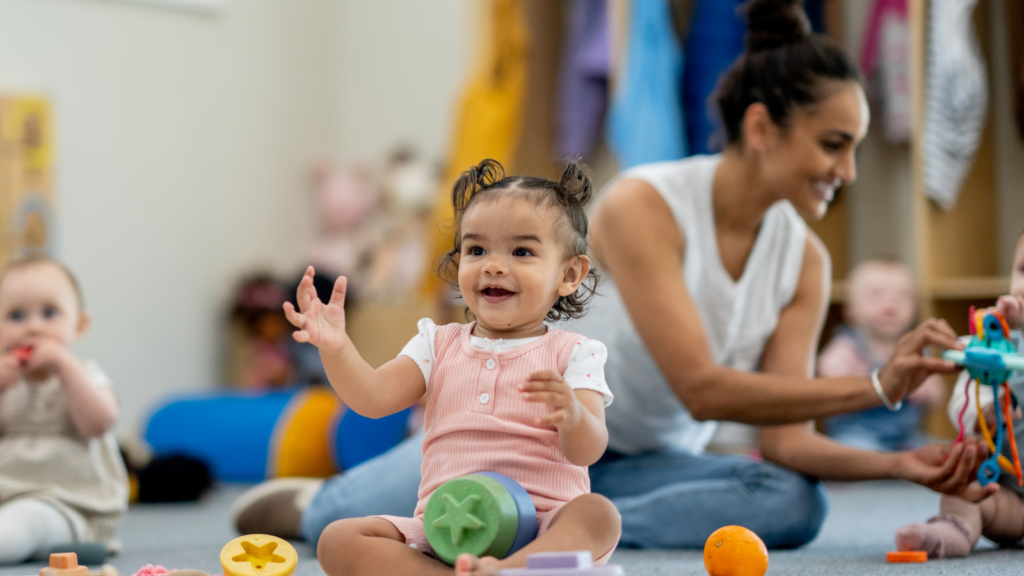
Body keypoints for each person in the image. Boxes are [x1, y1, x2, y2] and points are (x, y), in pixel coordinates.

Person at [232, 0, 986, 550]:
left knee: (792, 504)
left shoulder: (805, 261)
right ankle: (336, 503)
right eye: (833, 143)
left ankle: (551, 538)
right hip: (500, 441)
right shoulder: (643, 205)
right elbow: (701, 384)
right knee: (336, 523)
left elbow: (786, 440)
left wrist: (899, 462)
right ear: (761, 129)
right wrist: (880, 385)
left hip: (613, 458)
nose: (847, 170)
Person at [285, 159, 620, 576]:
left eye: (521, 251)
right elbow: (373, 398)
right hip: (446, 530)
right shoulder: (437, 343)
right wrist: (335, 347)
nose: (493, 265)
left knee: (598, 515)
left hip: (543, 527)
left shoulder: (575, 353)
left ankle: (509, 570)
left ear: (569, 274)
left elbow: (589, 449)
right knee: (337, 540)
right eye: (476, 250)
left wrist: (573, 416)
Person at [895, 230, 1024, 558]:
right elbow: (963, 414)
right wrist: (990, 408)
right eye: (1023, 270)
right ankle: (952, 528)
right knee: (966, 490)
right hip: (1011, 499)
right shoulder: (996, 351)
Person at [0, 254, 128, 563]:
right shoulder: (6, 381)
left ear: (79, 325)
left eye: (49, 313)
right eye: (16, 316)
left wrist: (66, 367)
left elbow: (99, 422)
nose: (33, 327)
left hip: (67, 501)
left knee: (28, 522)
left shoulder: (84, 373)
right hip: (6, 494)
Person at [818, 259, 947, 451]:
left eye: (902, 296)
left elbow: (937, 397)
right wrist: (855, 378)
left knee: (942, 451)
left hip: (904, 437)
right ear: (850, 309)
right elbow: (826, 376)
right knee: (853, 451)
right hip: (856, 433)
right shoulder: (848, 347)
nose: (890, 305)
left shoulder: (915, 348)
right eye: (876, 295)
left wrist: (925, 388)